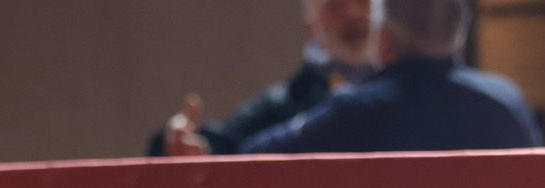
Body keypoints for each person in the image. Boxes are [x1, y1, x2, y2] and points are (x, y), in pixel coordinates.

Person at [242, 0, 542, 154]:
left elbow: (253, 160)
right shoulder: (504, 102)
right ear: (457, 33)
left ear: (383, 40)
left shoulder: (356, 110)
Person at [147, 0, 375, 157]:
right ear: (311, 23)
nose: (355, 13)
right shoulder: (286, 104)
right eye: (336, 4)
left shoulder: (405, 90)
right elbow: (225, 145)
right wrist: (182, 146)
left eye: (365, 1)